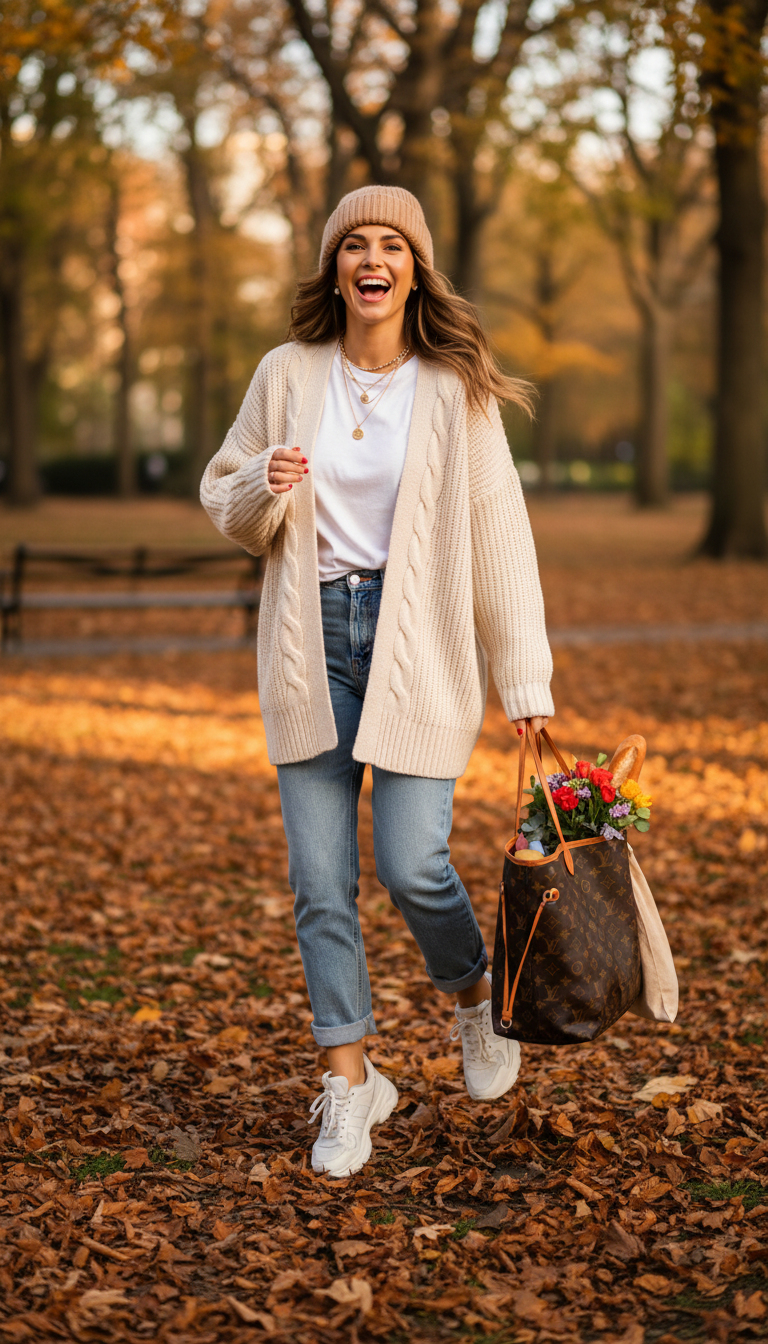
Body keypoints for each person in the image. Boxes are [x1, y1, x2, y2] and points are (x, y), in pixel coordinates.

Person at [201, 186, 553, 1179]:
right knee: (320, 885)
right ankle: (352, 1085)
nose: (371, 256)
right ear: (335, 267)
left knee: (413, 864)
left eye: (390, 243)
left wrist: (526, 676)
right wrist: (262, 484)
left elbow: (502, 545)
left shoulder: (453, 389)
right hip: (310, 644)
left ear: (413, 268)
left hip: (420, 647)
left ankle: (474, 996)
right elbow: (223, 493)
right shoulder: (287, 372)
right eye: (353, 242)